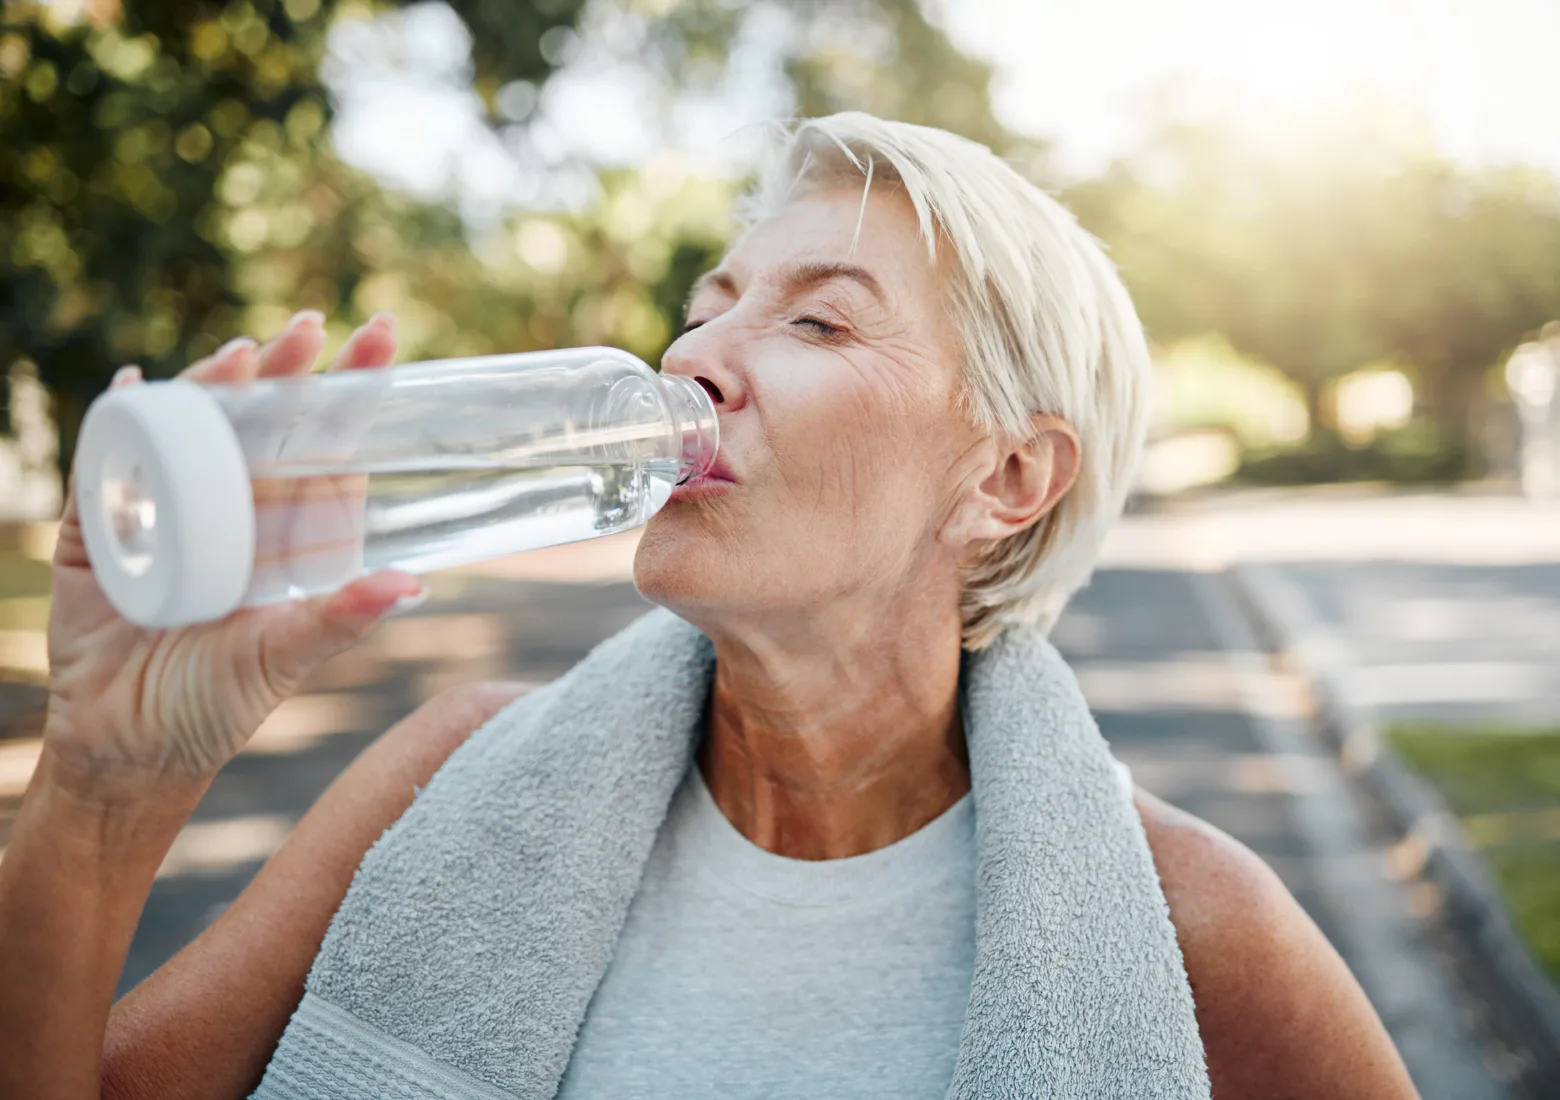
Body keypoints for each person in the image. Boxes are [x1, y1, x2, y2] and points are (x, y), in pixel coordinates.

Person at [0, 114, 1419, 1100]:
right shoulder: (444, 778)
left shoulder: (1200, 930)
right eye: (711, 300)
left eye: (815, 319)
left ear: (1006, 478)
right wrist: (104, 791)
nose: (693, 354)